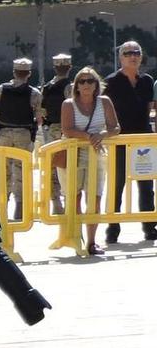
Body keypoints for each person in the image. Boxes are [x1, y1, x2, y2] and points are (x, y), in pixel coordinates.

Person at [62, 66, 117, 258]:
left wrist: (101, 134)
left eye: (90, 81)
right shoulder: (69, 104)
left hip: (97, 153)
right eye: (82, 81)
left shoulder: (105, 102)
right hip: (74, 153)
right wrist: (89, 136)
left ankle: (92, 241)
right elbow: (67, 129)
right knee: (74, 197)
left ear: (96, 84)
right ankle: (77, 238)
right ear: (76, 85)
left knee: (95, 197)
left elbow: (115, 127)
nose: (86, 85)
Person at [103, 41, 155, 244]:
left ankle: (150, 227)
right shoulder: (111, 81)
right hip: (119, 139)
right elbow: (105, 112)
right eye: (128, 53)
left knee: (146, 185)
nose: (132, 56)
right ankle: (112, 229)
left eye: (136, 53)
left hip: (143, 139)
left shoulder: (147, 80)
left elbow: (148, 107)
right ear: (120, 57)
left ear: (141, 57)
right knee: (117, 185)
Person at [0, 57, 42, 219]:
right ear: (29, 74)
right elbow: (39, 118)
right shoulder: (34, 93)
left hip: (4, 133)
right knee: (21, 170)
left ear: (14, 72)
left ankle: (2, 209)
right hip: (23, 135)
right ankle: (19, 208)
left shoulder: (1, 89)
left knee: (3, 170)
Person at [39, 52, 74, 215]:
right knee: (69, 165)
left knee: (53, 165)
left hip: (51, 129)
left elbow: (42, 111)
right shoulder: (70, 87)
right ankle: (69, 201)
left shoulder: (46, 87)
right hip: (67, 129)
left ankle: (56, 202)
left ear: (55, 68)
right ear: (70, 68)